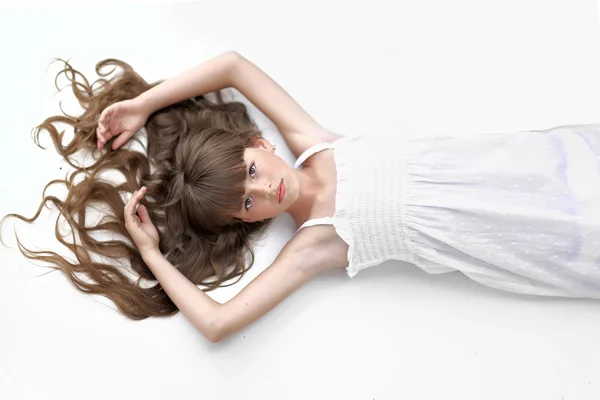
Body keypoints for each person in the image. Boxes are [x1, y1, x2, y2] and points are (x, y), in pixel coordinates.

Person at [4, 51, 600, 343]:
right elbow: (215, 323)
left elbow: (234, 65)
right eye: (247, 203)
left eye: (250, 170)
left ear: (258, 142)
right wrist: (152, 252)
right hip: (526, 240)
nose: (265, 188)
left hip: (520, 165)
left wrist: (145, 102)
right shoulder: (315, 244)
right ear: (248, 221)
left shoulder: (313, 144)